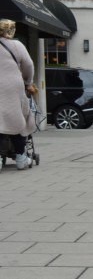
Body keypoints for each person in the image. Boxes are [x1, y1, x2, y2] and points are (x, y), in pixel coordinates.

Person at [0, 18, 35, 170]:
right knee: (18, 119)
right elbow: (28, 64)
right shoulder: (17, 45)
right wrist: (29, 82)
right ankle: (21, 157)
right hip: (13, 86)